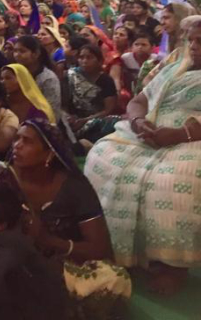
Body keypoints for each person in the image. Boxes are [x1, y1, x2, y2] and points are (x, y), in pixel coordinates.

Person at [85, 16, 201, 295]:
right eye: (191, 40)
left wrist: (179, 135)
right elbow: (139, 101)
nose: (194, 46)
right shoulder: (174, 68)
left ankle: (172, 264)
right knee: (102, 155)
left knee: (174, 181)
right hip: (148, 131)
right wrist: (138, 123)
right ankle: (126, 249)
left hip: (191, 137)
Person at [0, 119, 131, 318]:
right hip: (15, 260)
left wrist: (49, 240)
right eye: (17, 139)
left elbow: (99, 248)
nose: (17, 145)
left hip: (65, 265)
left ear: (50, 153)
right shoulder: (2, 178)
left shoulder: (74, 186)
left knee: (115, 278)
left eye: (27, 141)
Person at [0, 181, 66, 320]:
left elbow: (9, 257)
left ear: (1, 224)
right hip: (34, 299)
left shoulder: (14, 243)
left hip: (41, 308)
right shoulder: (6, 229)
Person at [62, 44, 119, 143]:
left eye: (89, 57)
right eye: (81, 57)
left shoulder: (106, 80)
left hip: (96, 120)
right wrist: (68, 117)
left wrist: (86, 120)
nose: (84, 61)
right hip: (72, 120)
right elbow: (63, 103)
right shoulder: (70, 76)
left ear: (99, 61)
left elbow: (108, 110)